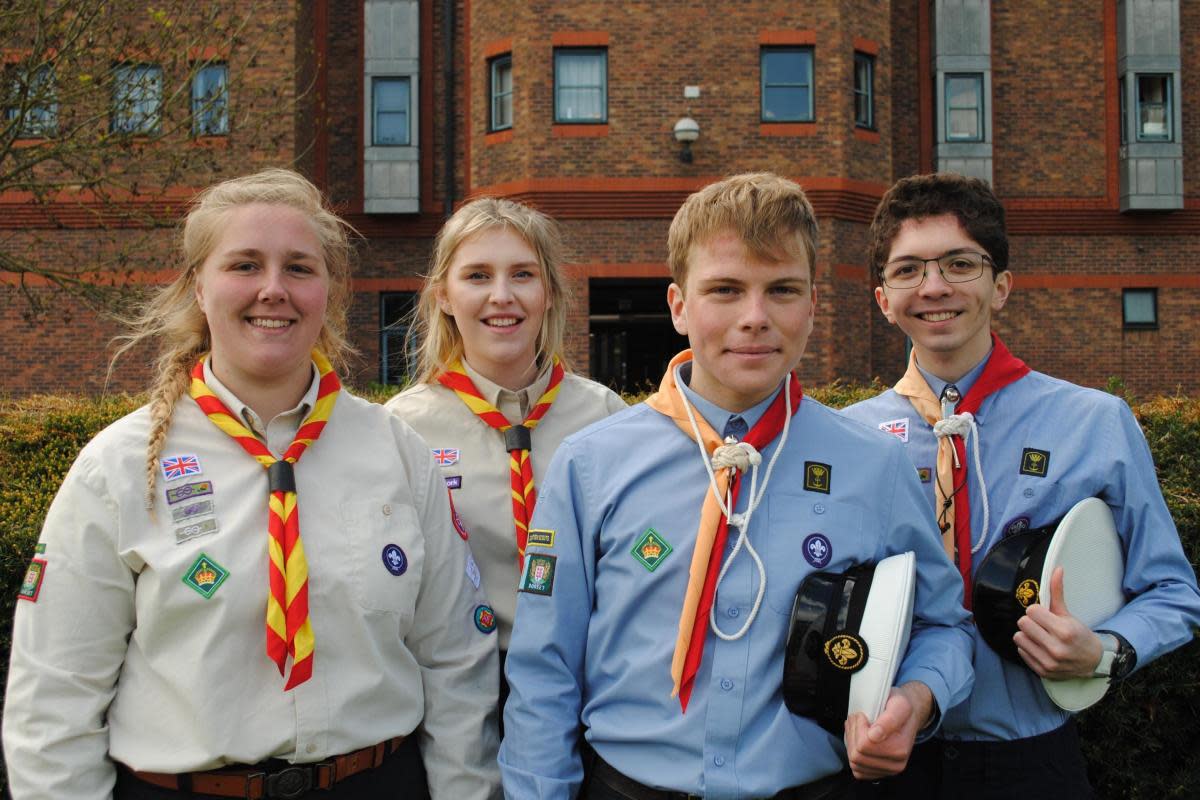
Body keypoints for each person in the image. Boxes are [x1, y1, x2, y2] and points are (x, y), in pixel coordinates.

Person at [2, 169, 501, 800]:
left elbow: (456, 661)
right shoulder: (120, 467)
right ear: (197, 289)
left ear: (328, 292)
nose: (273, 290)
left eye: (299, 267)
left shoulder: (400, 453)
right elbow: (54, 695)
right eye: (244, 265)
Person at [498, 172, 974, 799]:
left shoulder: (874, 466)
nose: (755, 318)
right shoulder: (592, 464)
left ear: (811, 306)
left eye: (781, 290)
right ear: (678, 306)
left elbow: (945, 626)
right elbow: (543, 667)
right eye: (725, 290)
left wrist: (917, 699)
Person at [841, 172, 1200, 797]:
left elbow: (1173, 591)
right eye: (908, 270)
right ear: (881, 298)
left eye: (959, 263)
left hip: (1031, 763)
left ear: (1000, 286)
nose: (934, 288)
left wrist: (1104, 651)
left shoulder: (1093, 422)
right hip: (880, 758)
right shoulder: (846, 439)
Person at [384, 197, 625, 712]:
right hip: (460, 683)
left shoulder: (606, 416)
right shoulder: (402, 428)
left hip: (591, 677)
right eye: (476, 276)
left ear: (549, 294)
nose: (502, 296)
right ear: (443, 296)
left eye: (522, 274)